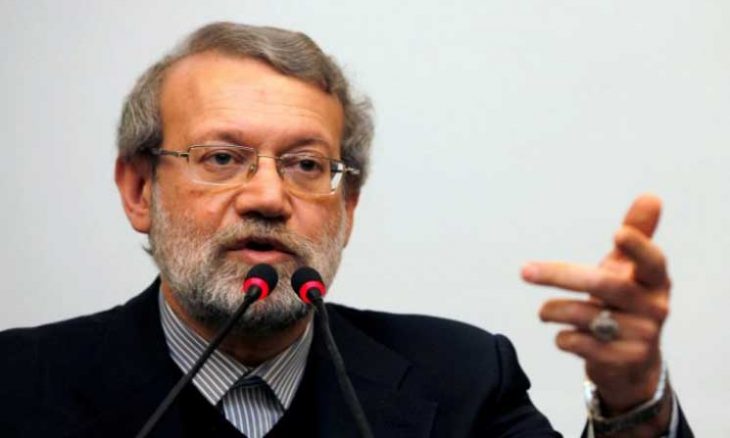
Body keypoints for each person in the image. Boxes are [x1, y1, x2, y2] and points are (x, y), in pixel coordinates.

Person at [0, 22, 692, 437]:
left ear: (348, 207)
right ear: (139, 190)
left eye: (306, 165)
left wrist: (634, 397)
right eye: (221, 158)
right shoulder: (19, 386)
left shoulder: (461, 379)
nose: (269, 197)